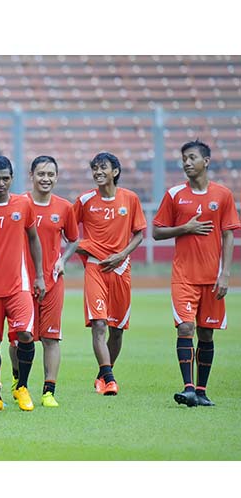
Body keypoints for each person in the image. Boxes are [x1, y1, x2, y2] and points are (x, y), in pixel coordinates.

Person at [153, 140, 240, 407]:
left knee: (206, 334)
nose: (187, 163)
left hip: (212, 278)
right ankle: (188, 388)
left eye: (192, 158)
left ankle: (201, 391)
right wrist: (184, 228)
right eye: (184, 158)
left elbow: (228, 235)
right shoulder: (175, 194)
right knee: (185, 327)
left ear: (206, 161)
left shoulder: (222, 195)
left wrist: (225, 274)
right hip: (184, 276)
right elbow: (157, 232)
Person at [0, 156, 46, 413]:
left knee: (26, 336)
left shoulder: (24, 205)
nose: (1, 183)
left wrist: (39, 276)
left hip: (19, 285)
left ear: (12, 179)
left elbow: (34, 238)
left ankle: (22, 387)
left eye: (6, 178)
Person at [6, 156, 79, 407]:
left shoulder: (64, 208)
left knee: (51, 338)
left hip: (53, 281)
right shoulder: (19, 204)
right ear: (32, 175)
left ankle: (49, 391)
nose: (46, 179)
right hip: (21, 283)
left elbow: (74, 239)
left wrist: (63, 260)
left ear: (56, 177)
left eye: (50, 174)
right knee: (18, 338)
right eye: (41, 174)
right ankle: (19, 381)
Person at [74, 152, 146, 396]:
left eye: (102, 167)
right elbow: (69, 231)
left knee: (117, 330)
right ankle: (111, 380)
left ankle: (102, 375)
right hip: (95, 268)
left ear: (115, 171)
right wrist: (85, 251)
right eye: (94, 168)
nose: (97, 172)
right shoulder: (84, 201)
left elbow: (139, 234)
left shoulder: (130, 199)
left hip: (121, 269)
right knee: (99, 324)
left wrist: (121, 254)